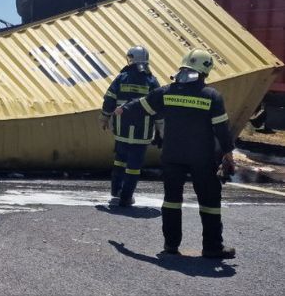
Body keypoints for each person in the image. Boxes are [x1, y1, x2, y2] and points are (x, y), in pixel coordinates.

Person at [115, 49, 236, 258]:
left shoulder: (166, 92)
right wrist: (228, 154)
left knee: (171, 200)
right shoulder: (211, 96)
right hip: (202, 158)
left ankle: (171, 245)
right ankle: (212, 247)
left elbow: (140, 106)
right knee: (209, 202)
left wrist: (121, 110)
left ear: (183, 67)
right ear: (206, 71)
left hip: (172, 156)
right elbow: (222, 130)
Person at [99, 46, 160, 207]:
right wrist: (160, 129)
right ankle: (126, 197)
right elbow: (158, 106)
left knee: (120, 160)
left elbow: (109, 99)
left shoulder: (122, 77)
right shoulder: (151, 80)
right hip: (142, 132)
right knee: (134, 165)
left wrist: (104, 117)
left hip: (122, 130)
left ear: (131, 58)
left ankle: (116, 191)